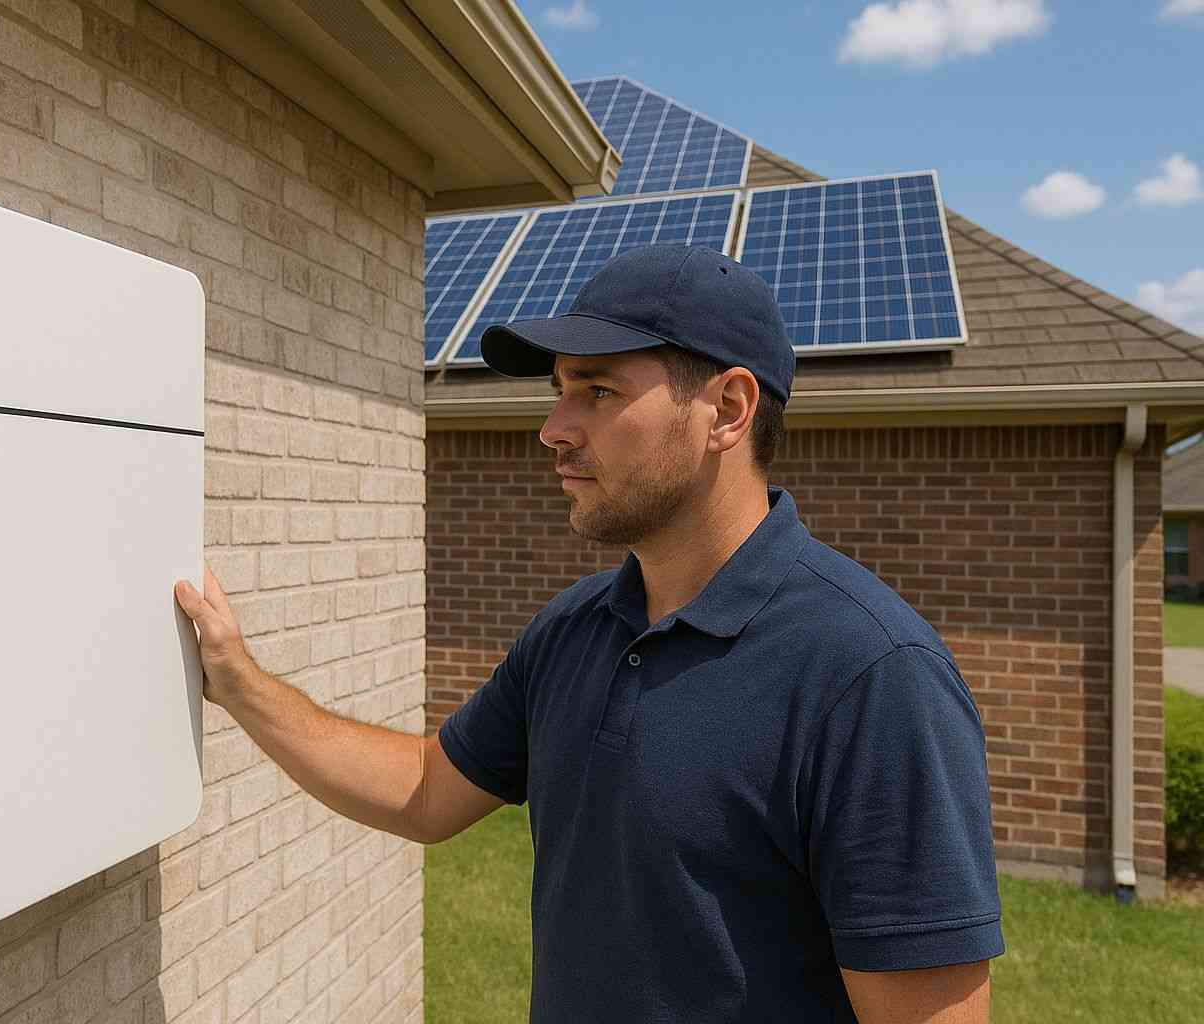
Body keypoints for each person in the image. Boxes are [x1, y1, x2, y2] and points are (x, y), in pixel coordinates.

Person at [174, 244, 1004, 1023]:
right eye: (558, 391)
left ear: (728, 409)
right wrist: (240, 680)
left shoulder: (870, 674)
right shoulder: (574, 630)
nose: (554, 429)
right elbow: (426, 791)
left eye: (598, 392)